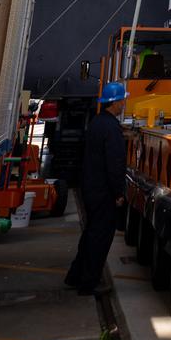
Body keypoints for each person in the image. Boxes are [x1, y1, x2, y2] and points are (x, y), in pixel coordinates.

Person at [65, 81, 128, 295]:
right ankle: (88, 283)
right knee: (99, 238)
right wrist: (119, 193)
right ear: (116, 102)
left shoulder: (98, 123)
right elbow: (115, 164)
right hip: (104, 192)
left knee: (91, 234)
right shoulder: (111, 129)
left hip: (92, 188)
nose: (124, 104)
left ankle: (75, 275)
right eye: (122, 100)